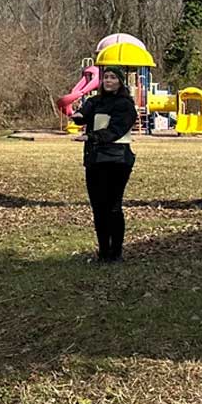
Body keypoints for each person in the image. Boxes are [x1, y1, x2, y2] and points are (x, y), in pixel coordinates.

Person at [76, 66, 137, 264]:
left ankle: (116, 252)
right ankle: (103, 252)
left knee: (113, 207)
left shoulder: (125, 105)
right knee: (98, 208)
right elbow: (83, 114)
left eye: (113, 78)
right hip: (95, 161)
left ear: (120, 81)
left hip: (117, 161)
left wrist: (92, 136)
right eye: (106, 77)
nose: (108, 81)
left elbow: (117, 129)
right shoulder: (95, 101)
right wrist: (75, 115)